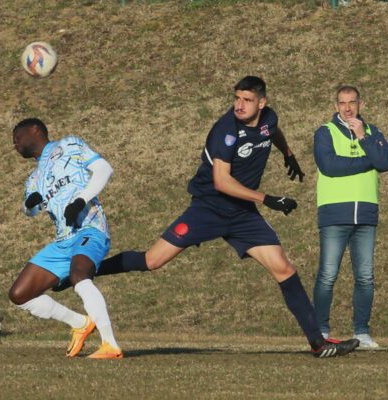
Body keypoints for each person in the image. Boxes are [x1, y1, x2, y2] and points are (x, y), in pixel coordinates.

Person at [96, 76, 359, 357]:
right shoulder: (226, 130)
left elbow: (273, 131)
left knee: (284, 269)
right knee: (152, 260)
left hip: (242, 214)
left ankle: (318, 344)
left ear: (262, 102)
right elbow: (221, 182)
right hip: (208, 208)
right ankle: (88, 269)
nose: (239, 105)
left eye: (246, 100)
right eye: (236, 98)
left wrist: (288, 154)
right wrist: (267, 199)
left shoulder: (269, 118)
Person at [9, 117, 123, 359]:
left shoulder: (70, 144)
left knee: (79, 276)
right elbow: (31, 210)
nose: (15, 144)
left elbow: (104, 169)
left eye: (17, 138)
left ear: (35, 130)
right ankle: (80, 323)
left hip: (90, 228)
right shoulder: (34, 178)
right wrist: (29, 205)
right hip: (63, 241)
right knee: (19, 295)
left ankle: (110, 345)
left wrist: (81, 199)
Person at [312, 86, 388, 348]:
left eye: (352, 103)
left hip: (367, 213)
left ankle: (362, 332)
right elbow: (330, 166)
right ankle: (321, 332)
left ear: (360, 103)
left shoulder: (372, 132)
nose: (347, 108)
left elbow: (387, 162)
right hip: (334, 212)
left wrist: (363, 138)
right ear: (336, 105)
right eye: (342, 103)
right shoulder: (325, 132)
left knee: (365, 277)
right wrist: (369, 160)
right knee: (327, 275)